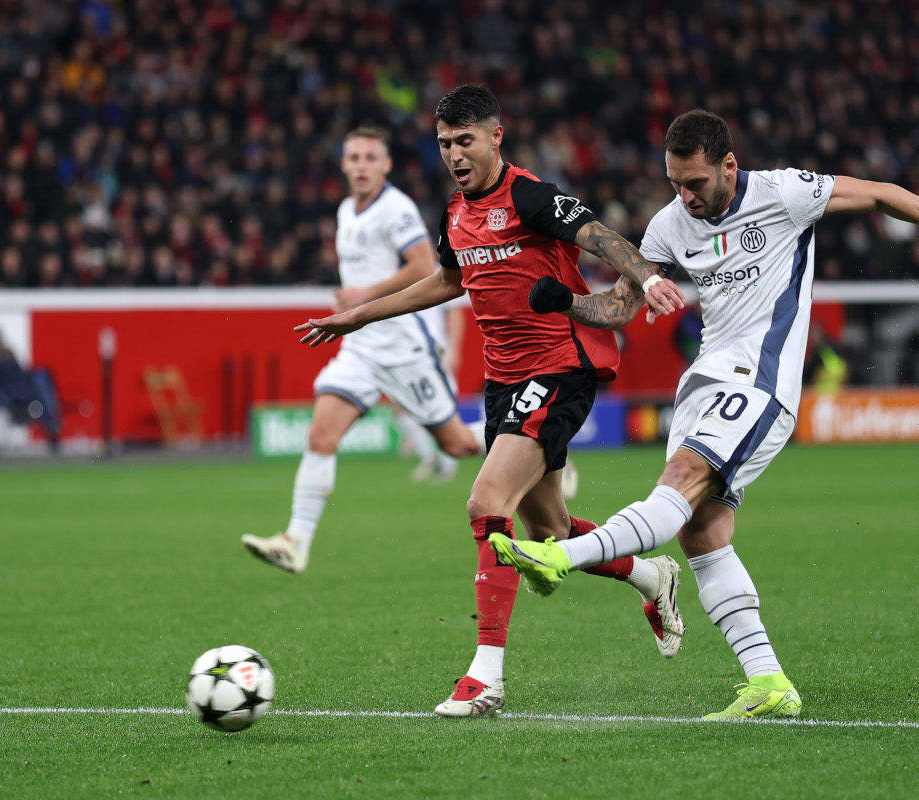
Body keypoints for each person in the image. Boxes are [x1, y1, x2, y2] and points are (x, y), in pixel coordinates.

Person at [488, 109, 919, 720]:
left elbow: (882, 194)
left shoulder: (785, 193)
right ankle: (769, 683)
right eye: (675, 183)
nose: (685, 195)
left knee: (679, 480)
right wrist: (566, 303)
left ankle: (562, 557)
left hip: (761, 381)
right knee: (702, 532)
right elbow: (621, 308)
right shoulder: (669, 225)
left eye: (696, 182)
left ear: (729, 165)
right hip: (705, 382)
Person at [294, 85, 690, 718]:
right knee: (548, 532)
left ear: (495, 137)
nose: (454, 154)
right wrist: (358, 315)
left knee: (485, 503)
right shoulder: (455, 212)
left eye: (465, 140)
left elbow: (598, 236)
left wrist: (646, 275)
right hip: (502, 382)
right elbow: (447, 281)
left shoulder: (529, 195)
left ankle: (486, 678)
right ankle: (651, 576)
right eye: (444, 143)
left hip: (560, 366)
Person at [241, 127, 488, 574]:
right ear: (343, 163)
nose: (361, 166)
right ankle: (296, 541)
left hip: (403, 347)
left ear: (386, 165)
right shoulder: (345, 210)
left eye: (370, 158)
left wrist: (363, 296)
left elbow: (424, 267)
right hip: (360, 348)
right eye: (354, 157)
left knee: (458, 444)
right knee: (320, 435)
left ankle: (533, 435)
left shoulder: (396, 209)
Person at [0, 329, 62, 454]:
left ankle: (50, 426)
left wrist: (7, 356)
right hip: (4, 392)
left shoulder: (7, 354)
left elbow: (20, 371)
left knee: (40, 389)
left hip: (22, 388)